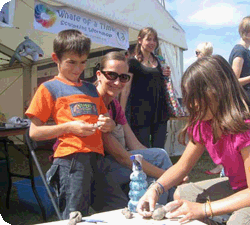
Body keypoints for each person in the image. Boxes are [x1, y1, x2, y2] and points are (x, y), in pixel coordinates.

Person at [137, 55, 250, 225]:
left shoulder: (248, 128)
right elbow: (182, 166)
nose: (190, 105)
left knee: (241, 222)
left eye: (194, 97)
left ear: (217, 91)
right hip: (240, 188)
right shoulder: (204, 123)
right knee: (182, 195)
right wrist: (155, 189)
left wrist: (204, 209)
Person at [25, 29, 128, 219]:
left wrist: (108, 124)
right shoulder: (48, 88)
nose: (77, 68)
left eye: (82, 62)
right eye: (71, 62)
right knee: (74, 216)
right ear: (56, 58)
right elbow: (34, 132)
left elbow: (109, 121)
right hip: (71, 162)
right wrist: (69, 128)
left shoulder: (90, 89)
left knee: (121, 210)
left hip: (98, 160)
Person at [95, 51, 187, 204]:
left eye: (123, 77)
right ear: (99, 74)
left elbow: (135, 145)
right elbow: (122, 157)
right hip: (98, 170)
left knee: (159, 157)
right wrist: (169, 177)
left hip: (113, 163)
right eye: (111, 75)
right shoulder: (93, 102)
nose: (117, 82)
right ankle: (174, 204)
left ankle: (170, 206)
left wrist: (165, 174)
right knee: (158, 173)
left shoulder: (115, 105)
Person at [120, 27, 171, 148]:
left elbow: (160, 82)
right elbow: (126, 89)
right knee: (143, 150)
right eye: (149, 39)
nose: (152, 43)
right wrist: (120, 113)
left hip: (160, 113)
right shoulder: (132, 62)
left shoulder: (159, 61)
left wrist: (166, 75)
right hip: (140, 114)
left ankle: (160, 168)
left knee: (159, 148)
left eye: (154, 40)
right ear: (140, 40)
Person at [195, 41, 223, 176]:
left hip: (212, 110)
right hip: (213, 109)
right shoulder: (215, 66)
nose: (195, 56)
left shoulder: (206, 68)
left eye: (197, 53)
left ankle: (221, 165)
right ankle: (220, 164)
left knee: (216, 136)